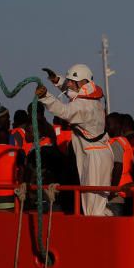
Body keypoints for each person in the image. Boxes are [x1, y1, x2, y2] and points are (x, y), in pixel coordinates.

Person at [36, 64, 113, 216]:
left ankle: (98, 236)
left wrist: (45, 96)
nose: (69, 83)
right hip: (95, 154)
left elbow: (64, 111)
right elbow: (72, 93)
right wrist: (57, 80)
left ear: (82, 82)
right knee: (94, 204)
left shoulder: (85, 106)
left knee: (94, 208)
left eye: (72, 81)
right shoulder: (90, 95)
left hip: (94, 158)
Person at [106, 113, 134, 216]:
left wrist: (112, 190)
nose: (106, 128)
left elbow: (118, 166)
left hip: (116, 194)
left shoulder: (115, 144)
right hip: (125, 190)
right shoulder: (125, 142)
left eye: (109, 125)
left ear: (117, 125)